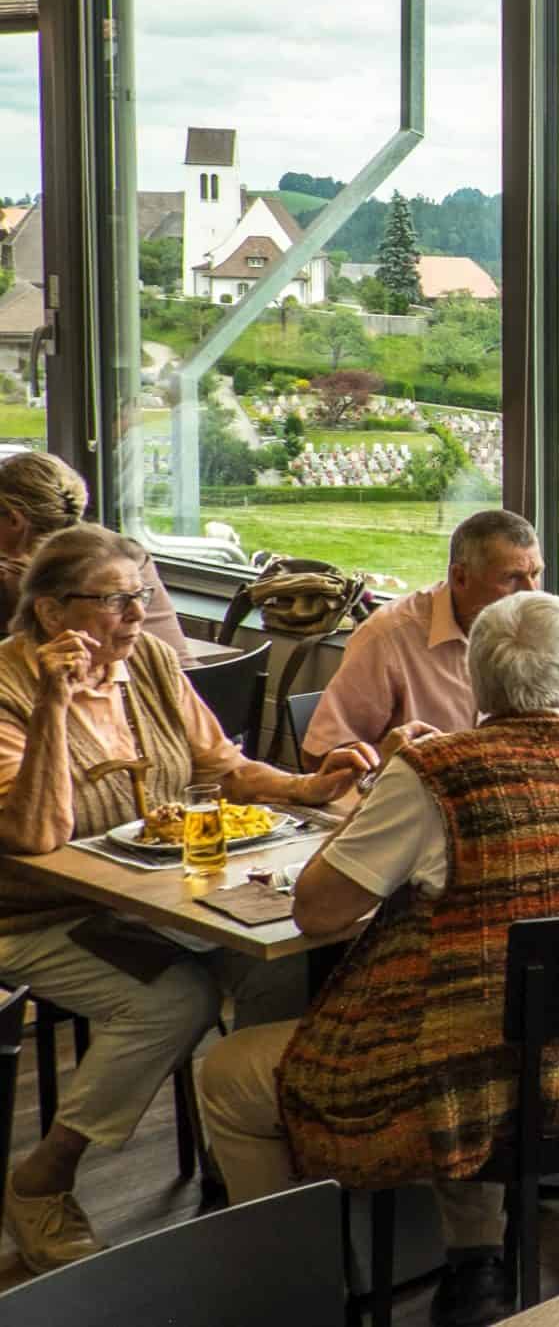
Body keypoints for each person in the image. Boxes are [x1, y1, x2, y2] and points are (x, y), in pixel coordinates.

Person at [198, 592, 559, 1327]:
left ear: (477, 686)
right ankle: (475, 1257)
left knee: (224, 1074)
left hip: (467, 1070)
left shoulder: (436, 772)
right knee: (478, 1009)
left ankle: (293, 1292)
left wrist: (380, 803)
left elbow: (318, 910)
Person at [0, 525, 372, 1272]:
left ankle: (251, 1156)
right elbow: (34, 837)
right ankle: (43, 1180)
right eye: (115, 600)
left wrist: (307, 785)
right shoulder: (9, 687)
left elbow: (221, 769)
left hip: (156, 899)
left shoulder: (152, 664)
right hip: (42, 914)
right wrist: (52, 704)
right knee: (174, 1001)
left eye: (141, 595)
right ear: (49, 612)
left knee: (276, 966)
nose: (138, 616)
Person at [303, 508, 559, 761]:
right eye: (512, 578)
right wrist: (391, 764)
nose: (529, 592)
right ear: (460, 577)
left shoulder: (537, 624)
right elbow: (321, 754)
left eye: (535, 574)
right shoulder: (389, 637)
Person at [0, 452, 187, 653]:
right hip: (191, 678)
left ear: (14, 520)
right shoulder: (128, 552)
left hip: (118, 682)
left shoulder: (13, 579)